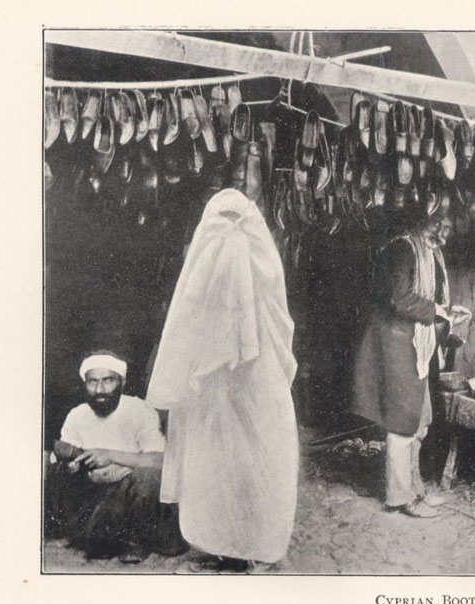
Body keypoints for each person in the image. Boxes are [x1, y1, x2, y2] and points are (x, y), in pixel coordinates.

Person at [146, 188, 299, 571]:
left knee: (253, 463)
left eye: (236, 222)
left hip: (254, 384)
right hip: (215, 389)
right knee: (218, 464)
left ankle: (256, 548)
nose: (230, 233)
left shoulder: (254, 263)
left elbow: (273, 319)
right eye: (223, 223)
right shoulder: (222, 260)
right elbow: (191, 321)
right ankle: (225, 548)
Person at [352, 209, 470, 519]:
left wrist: (445, 312)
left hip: (415, 339)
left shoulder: (429, 252)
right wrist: (439, 312)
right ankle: (399, 497)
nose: (444, 233)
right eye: (438, 224)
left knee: (422, 418)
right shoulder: (402, 248)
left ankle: (415, 489)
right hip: (395, 340)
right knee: (402, 421)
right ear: (422, 219)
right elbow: (400, 299)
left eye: (448, 226)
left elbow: (427, 299)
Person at [45, 351, 186, 563]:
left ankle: (136, 542)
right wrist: (71, 467)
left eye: (107, 381)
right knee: (54, 469)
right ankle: (102, 536)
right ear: (85, 384)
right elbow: (63, 464)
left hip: (133, 496)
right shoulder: (77, 415)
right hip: (98, 497)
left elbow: (162, 461)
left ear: (122, 381)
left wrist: (110, 456)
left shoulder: (139, 410)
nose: (100, 390)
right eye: (92, 382)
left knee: (148, 477)